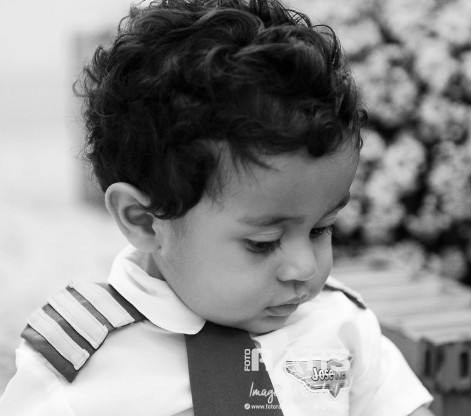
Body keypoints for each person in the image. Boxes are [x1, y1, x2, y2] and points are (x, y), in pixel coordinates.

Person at [0, 0, 434, 414]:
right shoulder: (83, 366)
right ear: (144, 220)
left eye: (321, 229)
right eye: (263, 242)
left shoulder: (339, 325)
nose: (305, 267)